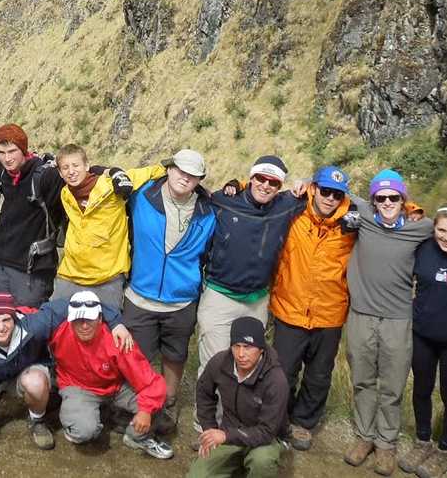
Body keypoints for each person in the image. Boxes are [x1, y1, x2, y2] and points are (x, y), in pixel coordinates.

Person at [0, 292, 133, 462]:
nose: (1, 327)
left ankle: (37, 419)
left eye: (6, 320)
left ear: (14, 318)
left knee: (35, 382)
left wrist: (116, 322)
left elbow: (78, 302)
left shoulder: (34, 325)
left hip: (25, 372)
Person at [342, 168, 433, 475]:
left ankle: (386, 444)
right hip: (361, 315)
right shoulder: (365, 214)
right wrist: (303, 184)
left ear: (403, 199)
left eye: (394, 197)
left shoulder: (421, 227)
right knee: (363, 381)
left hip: (398, 319)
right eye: (381, 198)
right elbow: (334, 189)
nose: (387, 202)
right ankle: (364, 437)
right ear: (374, 200)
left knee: (392, 386)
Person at [121, 148, 214, 426]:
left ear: (199, 180)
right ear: (169, 169)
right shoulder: (141, 196)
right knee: (138, 357)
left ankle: (169, 401)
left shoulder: (207, 211)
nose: (185, 178)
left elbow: (208, 253)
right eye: (181, 171)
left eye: (193, 175)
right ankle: (139, 403)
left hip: (181, 300)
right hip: (140, 295)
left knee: (175, 355)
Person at [269, 166, 356, 451]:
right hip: (290, 307)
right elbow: (261, 188)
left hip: (329, 313)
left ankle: (303, 422)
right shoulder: (293, 211)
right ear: (314, 189)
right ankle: (278, 418)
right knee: (283, 371)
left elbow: (394, 210)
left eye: (337, 194)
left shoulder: (353, 223)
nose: (330, 198)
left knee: (319, 375)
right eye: (325, 191)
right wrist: (236, 183)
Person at [198, 156, 307, 377]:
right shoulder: (224, 201)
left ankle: (239, 412)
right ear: (251, 178)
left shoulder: (286, 205)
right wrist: (233, 184)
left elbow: (329, 193)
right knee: (215, 366)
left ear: (280, 187)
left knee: (249, 368)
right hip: (220, 298)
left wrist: (306, 181)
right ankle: (209, 413)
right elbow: (194, 191)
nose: (265, 185)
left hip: (257, 302)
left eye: (273, 182)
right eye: (261, 178)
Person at [48, 291, 175, 460]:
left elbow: (150, 381)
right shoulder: (57, 332)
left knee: (158, 399)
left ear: (100, 319)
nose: (84, 326)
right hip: (78, 386)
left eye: (90, 319)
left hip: (115, 387)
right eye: (79, 320)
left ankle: (135, 435)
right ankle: (83, 418)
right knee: (84, 431)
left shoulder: (117, 338)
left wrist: (145, 411)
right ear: (70, 321)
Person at [400, 204, 447, 478]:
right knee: (421, 389)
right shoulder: (423, 249)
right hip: (422, 334)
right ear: (433, 229)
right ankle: (422, 441)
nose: (446, 237)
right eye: (441, 230)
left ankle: (444, 448)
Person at [51, 144, 163, 309]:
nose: (71, 171)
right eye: (65, 168)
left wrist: (172, 169)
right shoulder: (66, 193)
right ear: (60, 173)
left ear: (87, 166)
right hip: (71, 274)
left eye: (76, 165)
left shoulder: (111, 186)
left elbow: (149, 172)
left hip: (107, 276)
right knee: (58, 325)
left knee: (107, 328)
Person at [188, 316, 289, 478]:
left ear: (261, 348)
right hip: (229, 432)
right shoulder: (220, 362)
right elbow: (203, 393)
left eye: (248, 347)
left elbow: (267, 431)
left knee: (262, 462)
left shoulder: (276, 380)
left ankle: (253, 465)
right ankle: (237, 464)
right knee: (197, 476)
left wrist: (226, 436)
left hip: (264, 440)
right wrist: (209, 428)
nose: (241, 354)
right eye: (237, 346)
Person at [0, 124, 64, 306]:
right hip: (0, 265)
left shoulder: (45, 176)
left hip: (31, 271)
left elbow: (80, 173)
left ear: (24, 149)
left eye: (12, 151)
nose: (7, 158)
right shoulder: (5, 174)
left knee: (28, 328)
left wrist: (111, 173)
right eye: (1, 152)